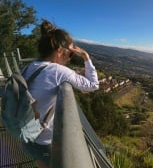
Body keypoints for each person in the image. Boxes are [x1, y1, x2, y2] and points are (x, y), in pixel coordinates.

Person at [21, 19, 99, 168]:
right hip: (43, 141)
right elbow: (93, 85)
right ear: (59, 51)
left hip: (24, 137)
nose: (69, 59)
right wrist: (85, 56)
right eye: (70, 54)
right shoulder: (58, 71)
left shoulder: (28, 67)